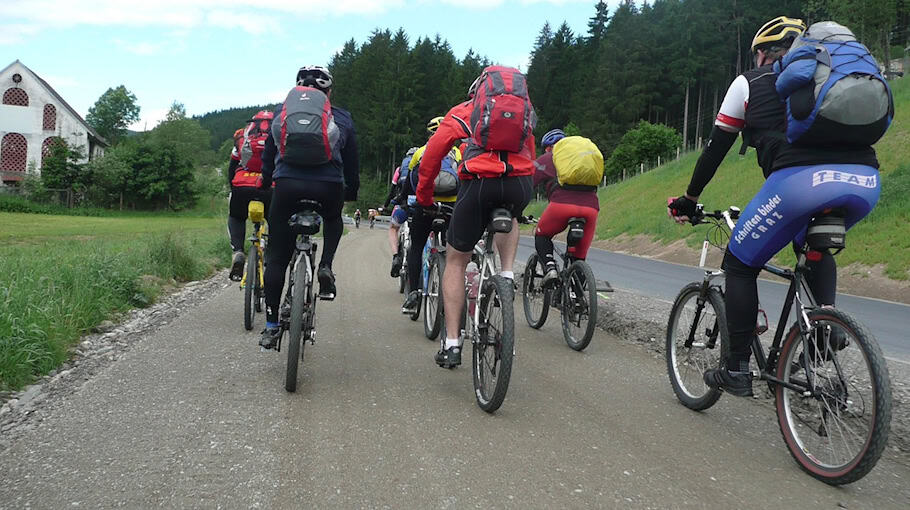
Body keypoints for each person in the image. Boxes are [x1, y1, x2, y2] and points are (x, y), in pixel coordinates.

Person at [667, 17, 881, 396]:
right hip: (864, 181)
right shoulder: (831, 76)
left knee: (738, 262)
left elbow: (718, 147)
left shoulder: (749, 82)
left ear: (763, 53)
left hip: (800, 184)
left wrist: (690, 199)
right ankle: (823, 329)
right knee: (813, 246)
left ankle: (736, 369)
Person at [416, 67, 536, 368]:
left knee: (457, 261)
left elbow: (432, 157)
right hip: (519, 185)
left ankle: (453, 343)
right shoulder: (523, 112)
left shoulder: (462, 112)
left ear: (478, 91)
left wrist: (425, 197)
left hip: (478, 184)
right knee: (511, 217)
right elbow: (531, 153)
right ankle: (507, 275)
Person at [257, 65, 360, 350]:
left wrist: (267, 180)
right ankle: (326, 264)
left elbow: (269, 152)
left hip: (287, 185)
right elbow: (351, 161)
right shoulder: (341, 117)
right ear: (329, 91)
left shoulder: (282, 113)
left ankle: (271, 324)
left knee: (276, 258)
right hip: (328, 186)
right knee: (333, 218)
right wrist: (350, 189)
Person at [401, 117, 460, 314]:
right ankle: (455, 290)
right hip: (451, 205)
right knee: (455, 249)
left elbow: (409, 183)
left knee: (416, 246)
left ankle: (415, 292)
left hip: (426, 204)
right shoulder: (457, 152)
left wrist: (402, 200)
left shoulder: (420, 152)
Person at [532, 128, 600, 286]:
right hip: (591, 208)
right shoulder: (580, 159)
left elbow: (528, 183)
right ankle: (579, 300)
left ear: (548, 148)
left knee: (542, 235)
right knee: (579, 259)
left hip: (561, 206)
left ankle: (550, 268)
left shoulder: (547, 158)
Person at [227, 113, 274, 281]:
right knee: (276, 221)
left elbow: (232, 166)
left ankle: (238, 251)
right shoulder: (282, 134)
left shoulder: (243, 135)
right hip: (270, 186)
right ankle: (272, 256)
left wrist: (232, 188)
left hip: (243, 186)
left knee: (236, 216)